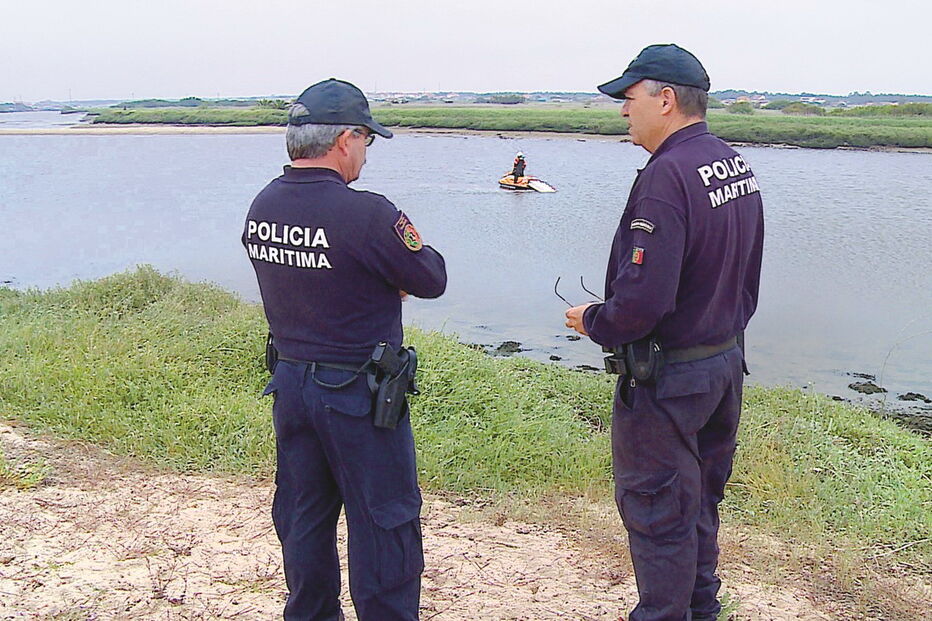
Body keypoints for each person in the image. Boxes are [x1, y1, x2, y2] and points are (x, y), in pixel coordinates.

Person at [564, 44, 764, 621]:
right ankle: (702, 607)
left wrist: (594, 321)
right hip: (723, 364)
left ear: (666, 100)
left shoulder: (666, 175)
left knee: (658, 510)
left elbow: (643, 302)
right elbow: (747, 273)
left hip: (670, 375)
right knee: (698, 501)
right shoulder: (731, 163)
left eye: (629, 99)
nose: (623, 112)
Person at [243, 78, 447, 621]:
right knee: (386, 519)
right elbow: (429, 278)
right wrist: (394, 269)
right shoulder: (366, 213)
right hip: (359, 391)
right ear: (345, 139)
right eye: (367, 141)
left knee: (304, 515)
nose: (365, 153)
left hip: (290, 384)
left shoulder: (263, 204)